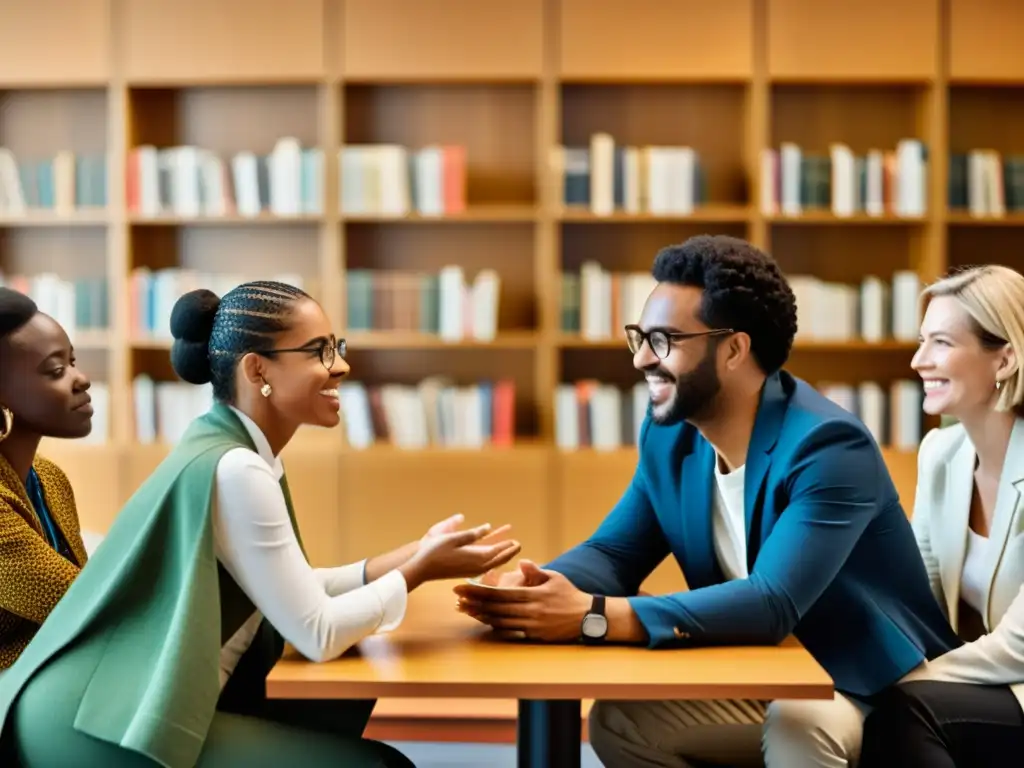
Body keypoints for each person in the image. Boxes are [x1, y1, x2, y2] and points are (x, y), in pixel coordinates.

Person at [454, 235, 961, 767]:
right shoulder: (670, 434)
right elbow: (615, 553)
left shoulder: (828, 445)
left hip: (866, 683)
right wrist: (537, 588)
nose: (643, 359)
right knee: (623, 721)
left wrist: (592, 617)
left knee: (792, 723)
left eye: (665, 340)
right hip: (765, 667)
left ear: (735, 350)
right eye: (641, 337)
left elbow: (771, 603)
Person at [0, 281, 521, 767]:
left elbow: (283, 589)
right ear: (257, 371)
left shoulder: (237, 451)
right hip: (94, 713)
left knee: (341, 707)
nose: (339, 366)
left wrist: (413, 558)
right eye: (319, 351)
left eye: (335, 345)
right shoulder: (237, 466)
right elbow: (315, 630)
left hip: (104, 689)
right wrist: (414, 571)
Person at [859, 265, 1024, 766]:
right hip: (991, 686)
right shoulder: (941, 453)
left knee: (908, 708)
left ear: (1006, 359)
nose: (917, 360)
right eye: (920, 341)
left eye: (942, 343)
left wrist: (904, 678)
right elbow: (918, 593)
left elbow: (1019, 646)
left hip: (1012, 679)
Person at [0, 287, 93, 673]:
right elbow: (82, 603)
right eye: (56, 371)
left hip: (62, 678)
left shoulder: (51, 479)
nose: (81, 379)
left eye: (72, 362)